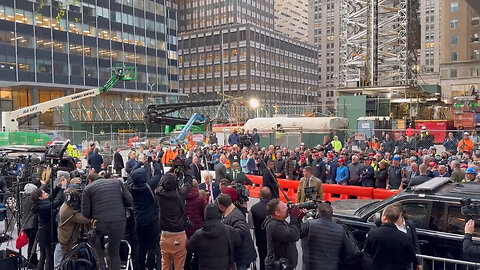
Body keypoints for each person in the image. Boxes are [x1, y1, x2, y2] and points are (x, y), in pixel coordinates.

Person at [81, 175, 133, 270]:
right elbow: (130, 201)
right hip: (119, 221)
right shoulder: (118, 183)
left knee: (98, 251)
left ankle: (102, 266)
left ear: (89, 180)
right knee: (114, 251)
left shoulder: (88, 188)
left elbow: (86, 213)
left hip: (100, 222)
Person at [300, 202, 360, 270]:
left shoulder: (310, 224)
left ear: (318, 214)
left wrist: (298, 218)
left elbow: (294, 234)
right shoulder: (341, 230)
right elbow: (352, 252)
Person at [155, 169, 193, 270]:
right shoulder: (180, 194)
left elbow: (159, 183)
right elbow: (189, 183)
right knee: (179, 266)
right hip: (178, 234)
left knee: (165, 265)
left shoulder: (160, 193)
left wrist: (170, 170)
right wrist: (186, 169)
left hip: (165, 234)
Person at [129, 160, 163, 270]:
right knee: (152, 245)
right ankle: (150, 265)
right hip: (151, 221)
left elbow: (131, 175)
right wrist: (155, 163)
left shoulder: (131, 187)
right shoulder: (148, 187)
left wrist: (138, 163)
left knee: (141, 246)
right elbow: (158, 175)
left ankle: (141, 267)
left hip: (139, 221)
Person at [186, 204, 240, 270]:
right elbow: (238, 242)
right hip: (225, 267)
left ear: (205, 215)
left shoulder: (199, 234)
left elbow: (189, 248)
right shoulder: (229, 230)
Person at [364, 204, 418, 270]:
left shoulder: (373, 234)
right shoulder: (405, 237)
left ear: (384, 217)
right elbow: (411, 256)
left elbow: (367, 251)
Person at [31, 178, 67, 270]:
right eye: (43, 193)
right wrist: (63, 188)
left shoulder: (40, 204)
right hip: (47, 232)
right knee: (49, 256)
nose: (45, 194)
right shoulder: (44, 206)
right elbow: (58, 202)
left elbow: (51, 197)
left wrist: (58, 187)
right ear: (40, 197)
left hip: (42, 231)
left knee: (43, 255)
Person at [217, 194, 257, 270]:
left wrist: (227, 233)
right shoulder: (230, 212)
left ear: (221, 206)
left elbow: (242, 230)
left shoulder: (235, 216)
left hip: (242, 256)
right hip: (240, 254)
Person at [264, 199, 304, 270]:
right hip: (279, 266)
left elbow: (296, 231)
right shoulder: (274, 225)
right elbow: (293, 236)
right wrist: (294, 218)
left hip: (285, 264)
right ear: (277, 213)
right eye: (283, 207)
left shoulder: (280, 221)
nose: (287, 209)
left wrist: (298, 219)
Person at [58, 188, 91, 256]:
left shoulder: (67, 205)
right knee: (68, 258)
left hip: (69, 236)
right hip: (68, 239)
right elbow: (85, 219)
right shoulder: (67, 210)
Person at [184, 180, 206, 270]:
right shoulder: (200, 198)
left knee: (187, 250)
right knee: (197, 251)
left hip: (186, 227)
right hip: (197, 228)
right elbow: (204, 213)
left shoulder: (182, 197)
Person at [392, 203, 422, 268]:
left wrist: (419, 262)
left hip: (407, 261)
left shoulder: (410, 224)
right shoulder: (390, 225)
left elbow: (415, 244)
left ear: (401, 213)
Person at [250, 187, 271, 270]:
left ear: (260, 195)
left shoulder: (254, 208)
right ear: (270, 196)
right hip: (274, 240)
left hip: (260, 239)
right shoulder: (276, 206)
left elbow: (251, 225)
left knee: (262, 260)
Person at [20, 183, 39, 267]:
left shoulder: (24, 199)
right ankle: (31, 261)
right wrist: (44, 184)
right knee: (32, 244)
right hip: (30, 225)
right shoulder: (29, 200)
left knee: (32, 244)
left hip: (27, 224)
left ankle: (32, 260)